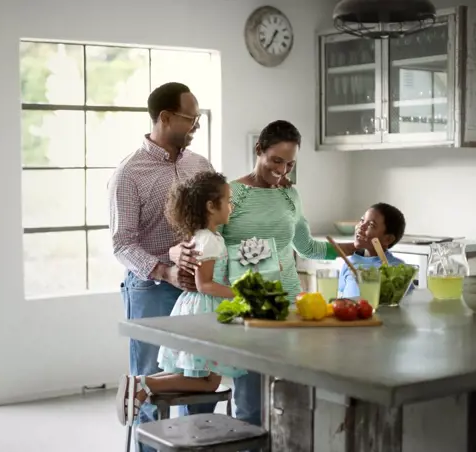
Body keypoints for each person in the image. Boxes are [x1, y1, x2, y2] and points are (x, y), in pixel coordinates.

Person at [207, 119, 355, 426]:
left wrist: (354, 247)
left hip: (289, 304)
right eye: (276, 160)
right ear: (258, 150)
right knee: (251, 404)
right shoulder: (232, 193)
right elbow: (213, 247)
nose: (282, 170)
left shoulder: (291, 195)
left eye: (289, 164)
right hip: (247, 307)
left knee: (289, 402)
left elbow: (307, 248)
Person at [108, 82, 217, 440]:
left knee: (201, 382)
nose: (196, 126)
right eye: (191, 118)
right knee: (152, 391)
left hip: (199, 291)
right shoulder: (129, 173)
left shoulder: (200, 165)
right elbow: (122, 243)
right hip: (151, 290)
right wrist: (166, 270)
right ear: (165, 118)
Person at [115, 171, 246, 425]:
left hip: (194, 308)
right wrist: (240, 293)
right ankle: (144, 384)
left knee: (190, 373)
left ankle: (139, 383)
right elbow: (204, 284)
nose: (232, 205)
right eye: (228, 200)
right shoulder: (210, 240)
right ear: (211, 206)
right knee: (209, 380)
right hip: (206, 313)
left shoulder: (201, 236)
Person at [338, 202, 408, 297]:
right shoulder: (349, 263)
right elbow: (341, 296)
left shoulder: (398, 269)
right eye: (362, 220)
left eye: (371, 225)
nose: (361, 227)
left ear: (388, 239)